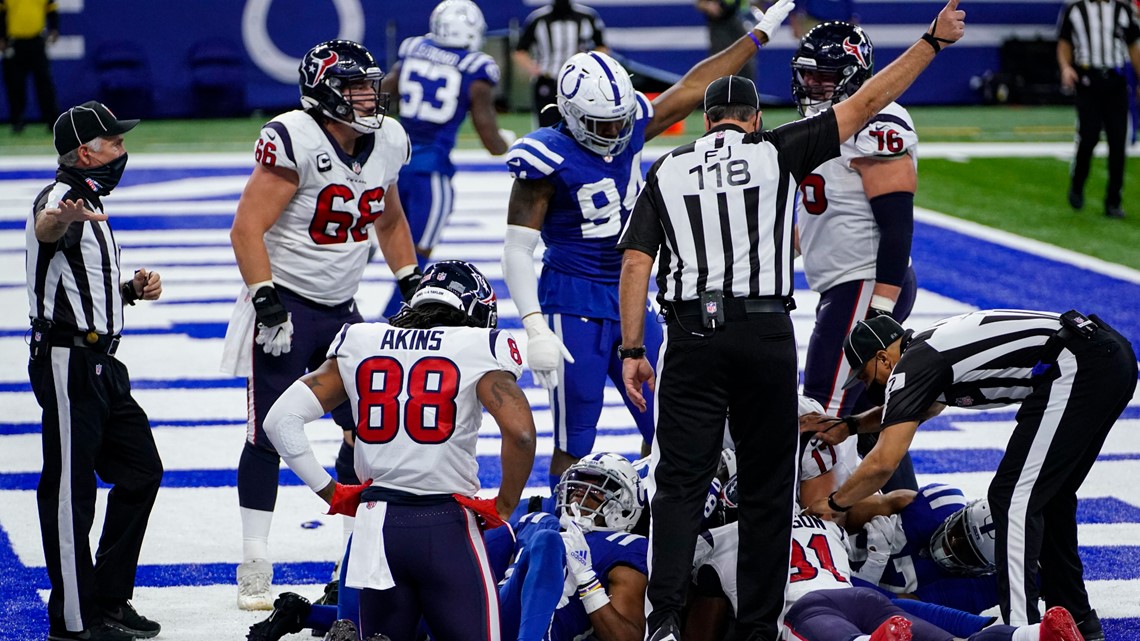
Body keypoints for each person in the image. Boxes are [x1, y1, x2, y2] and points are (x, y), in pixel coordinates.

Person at [616, 3, 967, 637]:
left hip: (692, 333)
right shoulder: (775, 151)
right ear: (752, 120)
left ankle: (663, 622)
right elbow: (867, 102)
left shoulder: (667, 168)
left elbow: (636, 262)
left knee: (679, 486)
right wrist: (931, 44)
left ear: (704, 120)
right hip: (763, 332)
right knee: (772, 479)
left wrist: (632, 347)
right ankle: (763, 621)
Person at [502, 1, 797, 491]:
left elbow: (692, 86)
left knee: (669, 423)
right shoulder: (545, 158)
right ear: (573, 116)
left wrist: (758, 36)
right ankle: (561, 538)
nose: (617, 133)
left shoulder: (626, 122)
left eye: (622, 120)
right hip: (571, 299)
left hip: (629, 291)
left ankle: (650, 513)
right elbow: (517, 249)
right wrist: (533, 327)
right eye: (604, 124)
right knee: (575, 438)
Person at [221, 39, 419, 610]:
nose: (369, 96)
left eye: (370, 85)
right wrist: (265, 300)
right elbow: (246, 227)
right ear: (325, 92)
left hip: (342, 309)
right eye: (355, 87)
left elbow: (390, 216)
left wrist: (410, 281)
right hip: (287, 306)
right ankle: (254, 562)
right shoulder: (296, 138)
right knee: (267, 434)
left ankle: (354, 552)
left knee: (368, 429)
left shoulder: (387, 141)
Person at [803, 311, 1136, 636]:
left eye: (865, 374)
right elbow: (924, 407)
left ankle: (1023, 628)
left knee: (1012, 499)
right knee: (1052, 497)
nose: (867, 384)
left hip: (1076, 365)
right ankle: (1078, 620)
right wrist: (853, 425)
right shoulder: (927, 349)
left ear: (883, 358)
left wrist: (836, 503)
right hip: (1105, 357)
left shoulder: (910, 368)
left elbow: (883, 462)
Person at [259, 259, 536, 641]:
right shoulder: (481, 346)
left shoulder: (361, 340)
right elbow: (521, 435)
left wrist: (330, 491)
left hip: (375, 529)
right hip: (447, 524)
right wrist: (505, 505)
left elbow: (279, 421)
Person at [26, 101, 163, 641]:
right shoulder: (63, 199)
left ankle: (106, 597)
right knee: (69, 490)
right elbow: (46, 228)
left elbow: (74, 286)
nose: (123, 152)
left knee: (141, 470)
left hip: (100, 360)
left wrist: (129, 291)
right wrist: (59, 218)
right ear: (87, 152)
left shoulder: (91, 201)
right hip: (68, 361)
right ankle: (73, 620)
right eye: (116, 143)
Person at [792, 21, 921, 493]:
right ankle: (899, 513)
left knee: (818, 411)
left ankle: (821, 525)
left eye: (825, 78)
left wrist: (880, 311)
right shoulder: (827, 125)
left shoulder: (878, 123)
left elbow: (896, 224)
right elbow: (813, 215)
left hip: (864, 282)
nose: (813, 87)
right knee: (871, 410)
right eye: (808, 76)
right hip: (845, 283)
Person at [378, 0, 516, 319]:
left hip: (392, 163)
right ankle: (393, 320)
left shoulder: (414, 48)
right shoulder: (475, 67)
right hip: (431, 171)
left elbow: (381, 96)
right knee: (417, 253)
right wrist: (505, 142)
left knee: (381, 237)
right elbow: (490, 139)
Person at [846, 485, 1002, 614]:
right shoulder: (937, 505)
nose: (950, 546)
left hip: (848, 590)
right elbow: (843, 514)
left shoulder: (972, 590)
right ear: (957, 514)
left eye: (966, 552)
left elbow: (890, 611)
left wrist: (874, 566)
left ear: (983, 568)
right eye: (957, 530)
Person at [1057, 0, 1140, 219]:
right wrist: (1066, 68)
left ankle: (1113, 201)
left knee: (1118, 141)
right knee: (1088, 137)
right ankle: (1077, 184)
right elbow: (1064, 43)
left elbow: (1133, 45)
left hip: (1116, 81)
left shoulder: (1122, 10)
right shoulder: (1075, 10)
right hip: (1088, 80)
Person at [513, 0, 608, 127]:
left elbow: (602, 47)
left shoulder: (587, 17)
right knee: (547, 128)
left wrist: (590, 66)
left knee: (581, 127)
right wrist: (534, 69)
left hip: (579, 82)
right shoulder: (538, 19)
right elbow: (520, 51)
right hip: (548, 80)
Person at [1, 0, 59, 132]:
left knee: (44, 83)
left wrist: (54, 29)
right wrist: (1, 37)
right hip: (14, 42)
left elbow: (51, 9)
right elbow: (2, 13)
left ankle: (52, 121)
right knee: (15, 84)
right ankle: (17, 121)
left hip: (37, 40)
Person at [696, 0, 756, 83]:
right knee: (721, 62)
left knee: (746, 60)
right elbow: (700, 4)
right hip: (719, 26)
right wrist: (708, 5)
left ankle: (746, 92)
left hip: (736, 22)